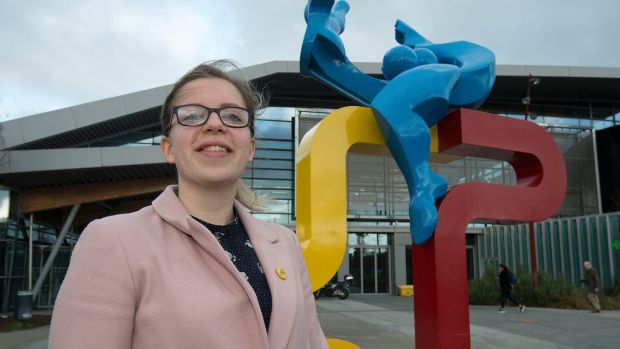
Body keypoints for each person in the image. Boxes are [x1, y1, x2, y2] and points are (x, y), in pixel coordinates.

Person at [48, 60, 329, 349]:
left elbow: (314, 341)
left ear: (250, 150)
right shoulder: (113, 241)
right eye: (193, 116)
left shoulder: (285, 243)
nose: (215, 124)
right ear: (168, 148)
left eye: (233, 116)